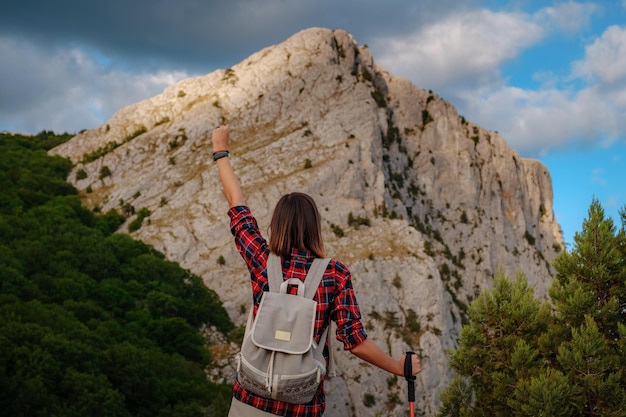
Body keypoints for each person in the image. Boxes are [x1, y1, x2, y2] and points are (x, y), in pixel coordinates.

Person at [212, 125, 421, 417]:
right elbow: (355, 342)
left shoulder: (261, 259)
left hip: (250, 402)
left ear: (277, 225)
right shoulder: (334, 275)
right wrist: (398, 367)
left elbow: (237, 206)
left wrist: (220, 151)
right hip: (302, 409)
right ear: (315, 229)